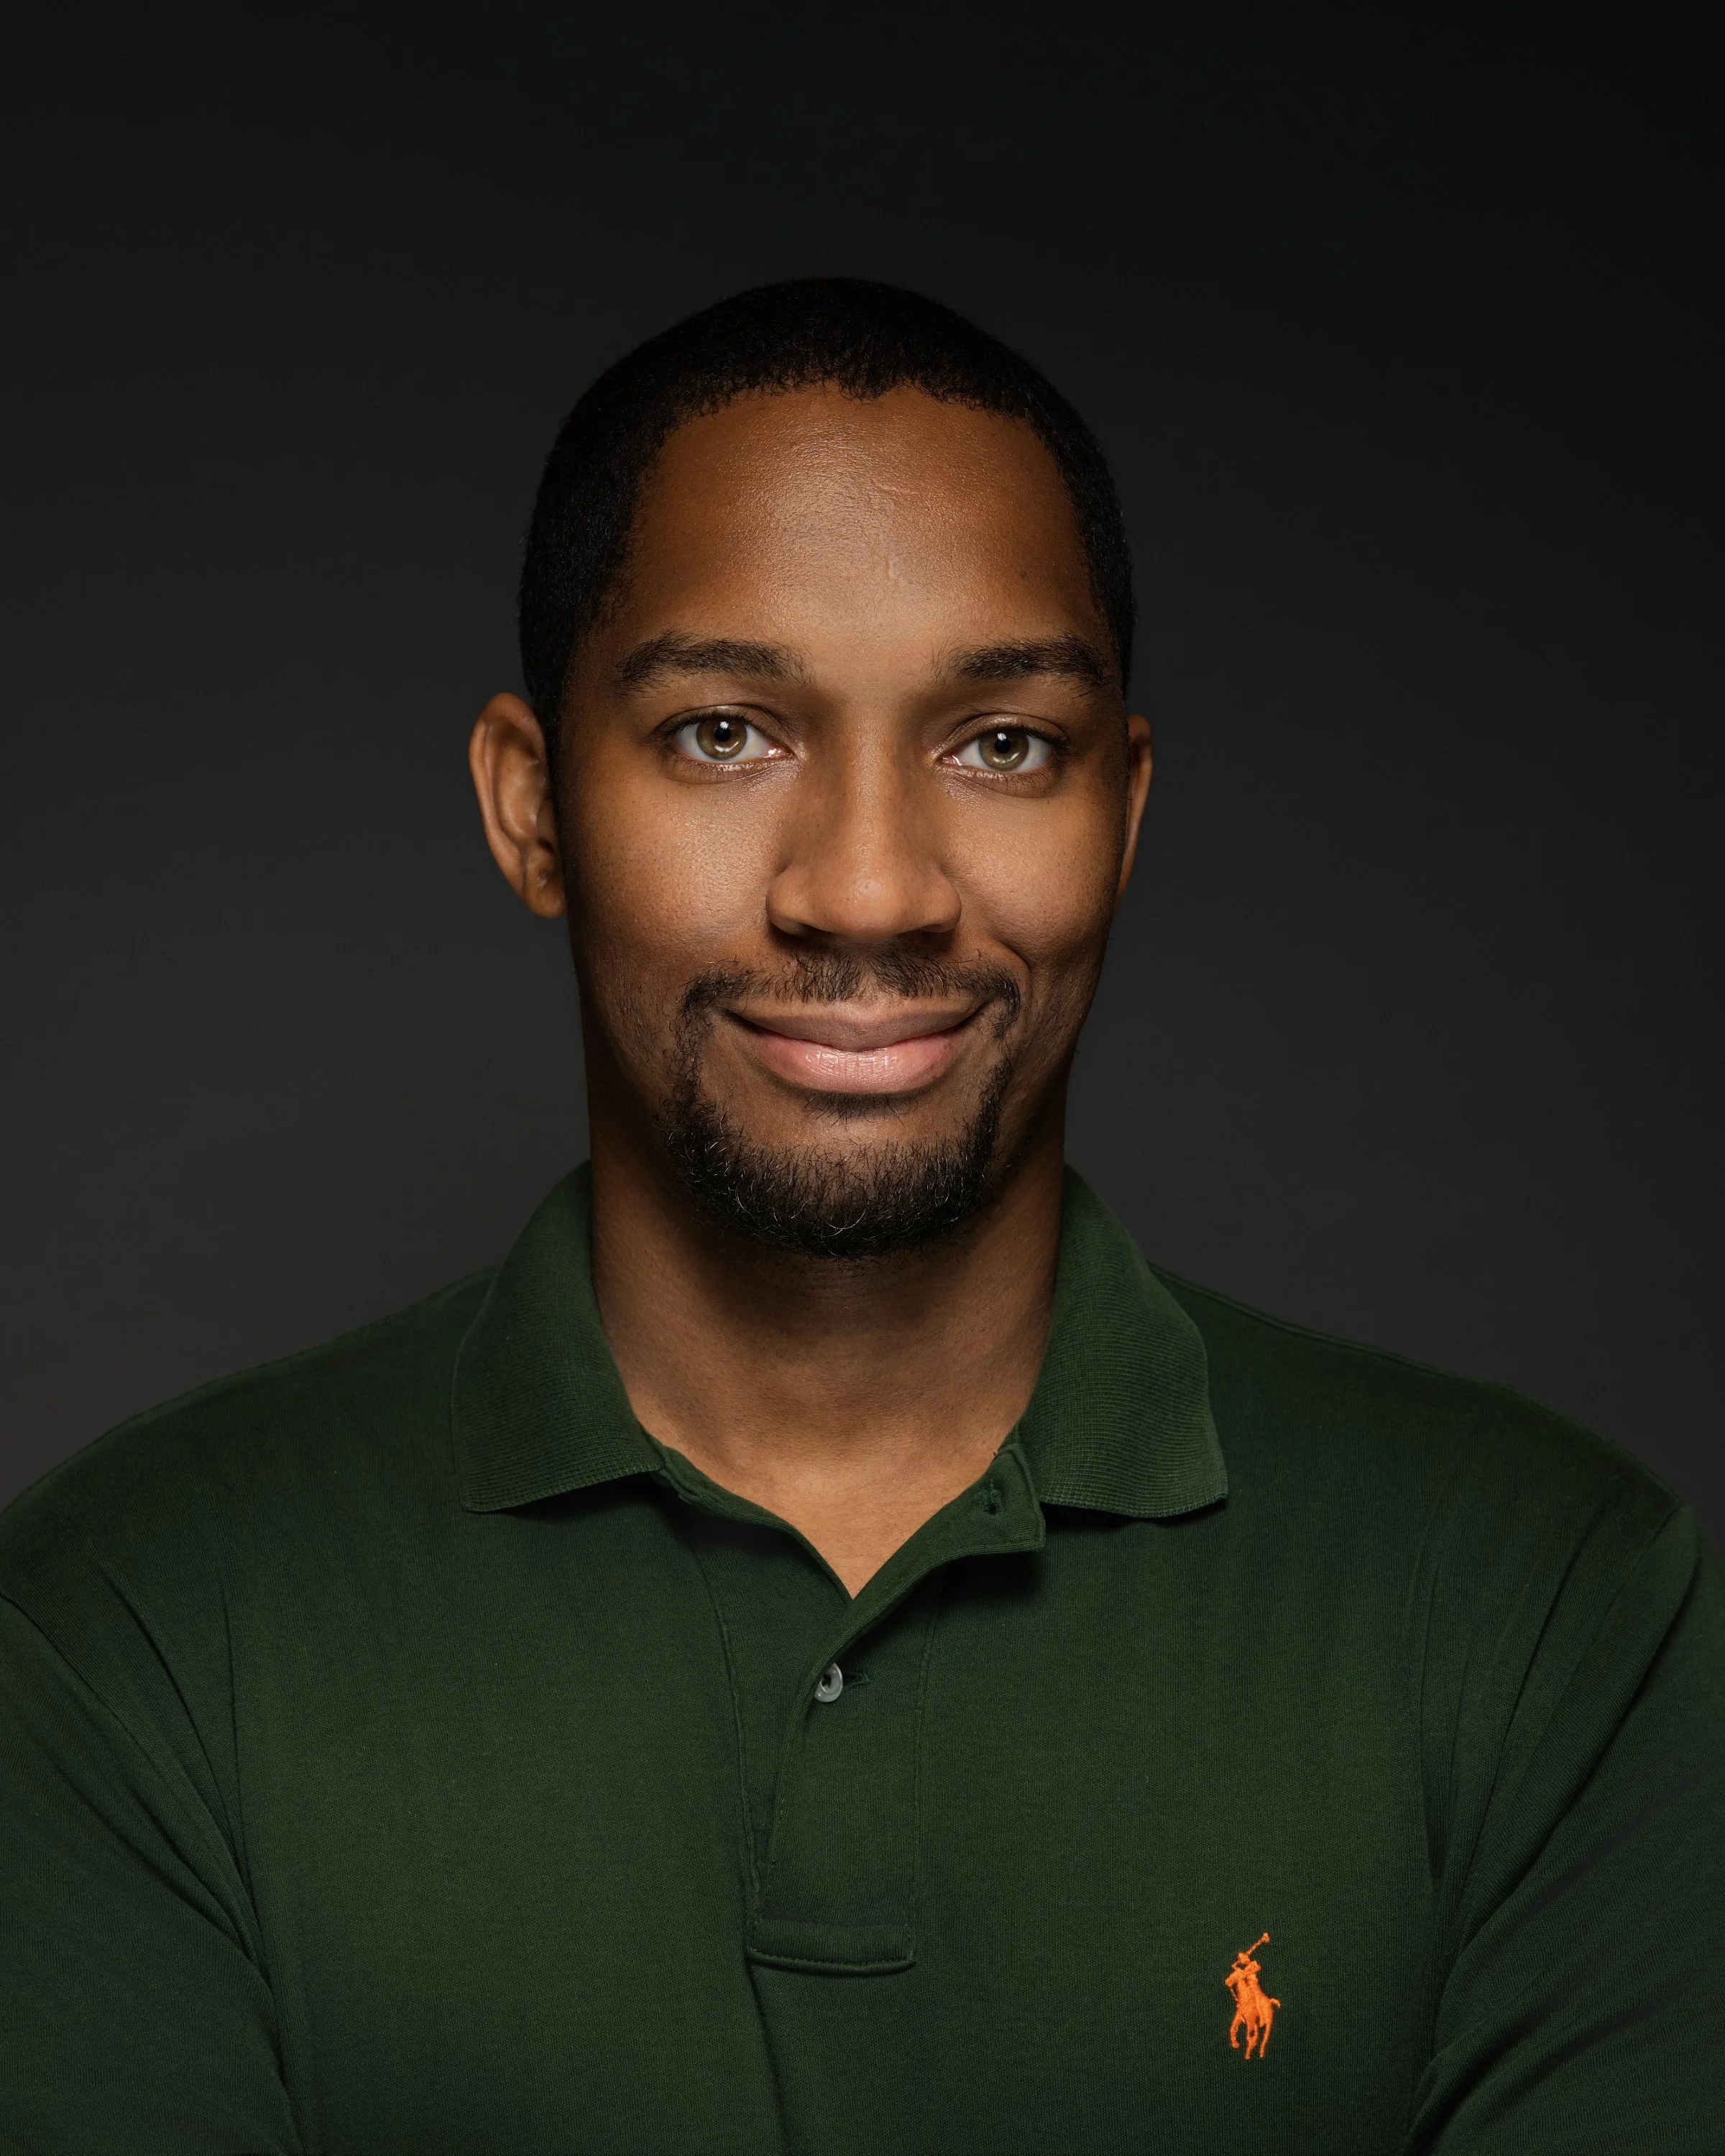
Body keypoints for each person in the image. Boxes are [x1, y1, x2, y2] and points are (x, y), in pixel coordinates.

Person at [1, 279, 1721, 2156]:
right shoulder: (125, 1631)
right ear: (533, 807)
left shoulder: (1551, 1611)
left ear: (1125, 812)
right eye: (726, 732)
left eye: (1004, 744)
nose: (874, 888)